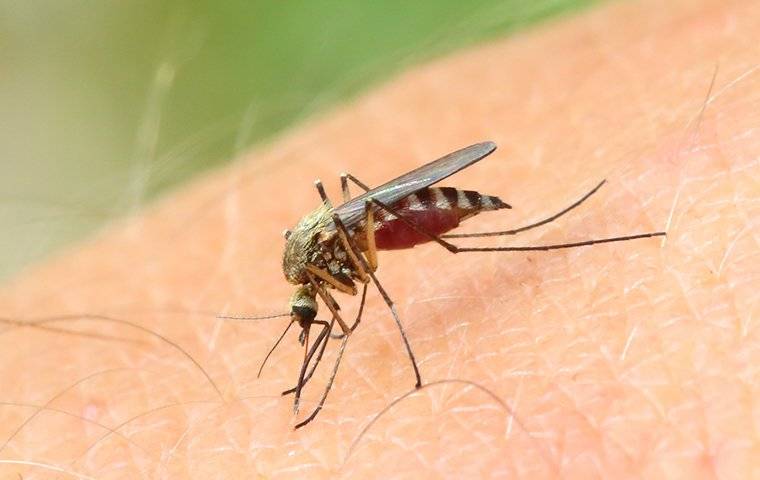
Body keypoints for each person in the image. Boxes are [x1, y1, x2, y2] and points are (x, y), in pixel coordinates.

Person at [1, 0, 756, 477]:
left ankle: (537, 235)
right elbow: (328, 306)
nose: (314, 321)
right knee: (352, 229)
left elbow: (345, 263)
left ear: (304, 287)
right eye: (308, 317)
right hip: (378, 218)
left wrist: (381, 294)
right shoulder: (312, 279)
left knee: (373, 232)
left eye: (308, 316)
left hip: (396, 212)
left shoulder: (319, 265)